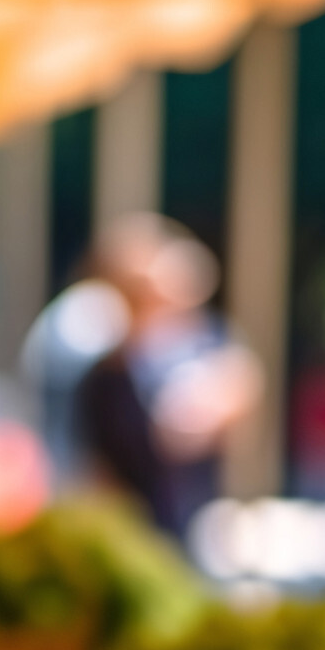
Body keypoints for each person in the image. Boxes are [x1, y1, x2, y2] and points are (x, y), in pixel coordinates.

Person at [66, 214, 259, 537]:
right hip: (132, 524)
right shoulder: (103, 368)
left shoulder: (211, 349)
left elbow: (223, 415)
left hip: (193, 519)